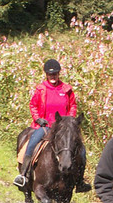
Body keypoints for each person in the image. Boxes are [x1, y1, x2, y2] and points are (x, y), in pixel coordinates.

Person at [13, 59, 91, 192]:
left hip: (63, 127)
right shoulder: (41, 89)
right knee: (31, 144)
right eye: (50, 74)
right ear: (46, 75)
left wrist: (70, 120)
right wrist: (38, 119)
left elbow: (73, 105)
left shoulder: (66, 89)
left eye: (55, 74)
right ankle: (24, 175)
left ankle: (80, 181)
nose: (53, 76)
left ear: (59, 73)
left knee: (81, 150)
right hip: (46, 126)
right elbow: (33, 105)